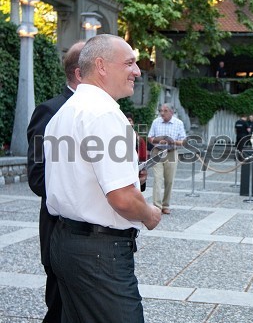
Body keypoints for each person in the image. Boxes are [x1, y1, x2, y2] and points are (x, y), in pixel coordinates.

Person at [43, 34, 162, 323]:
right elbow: (121, 197)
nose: (137, 71)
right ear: (101, 66)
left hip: (66, 243)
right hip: (99, 254)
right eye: (130, 63)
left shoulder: (64, 112)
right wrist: (149, 214)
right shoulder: (105, 114)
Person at [26, 40, 85, 323]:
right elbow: (38, 179)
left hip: (100, 245)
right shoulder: (50, 111)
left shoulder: (105, 110)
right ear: (79, 72)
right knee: (60, 313)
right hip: (60, 234)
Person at [148, 103, 187, 215]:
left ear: (171, 112)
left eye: (165, 111)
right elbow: (150, 137)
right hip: (158, 152)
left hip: (171, 152)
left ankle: (166, 205)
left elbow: (183, 141)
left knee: (169, 181)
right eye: (161, 110)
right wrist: (159, 141)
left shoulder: (178, 123)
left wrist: (172, 142)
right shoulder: (156, 121)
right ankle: (157, 206)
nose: (162, 113)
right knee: (157, 179)